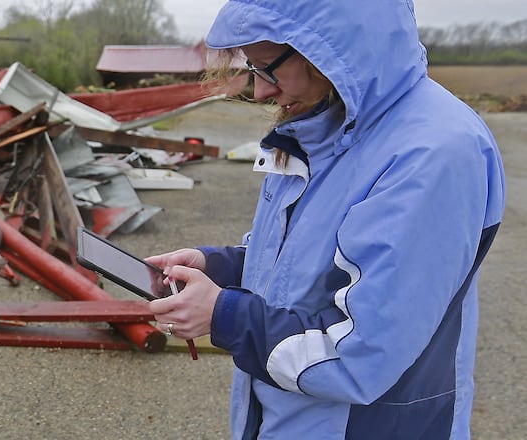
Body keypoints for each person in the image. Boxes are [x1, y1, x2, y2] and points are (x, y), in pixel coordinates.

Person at [146, 0, 506, 439]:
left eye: (267, 69)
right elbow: (316, 261)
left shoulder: (432, 153)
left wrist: (224, 315)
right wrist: (221, 267)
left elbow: (358, 354)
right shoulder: (331, 128)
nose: (260, 92)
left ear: (330, 48)